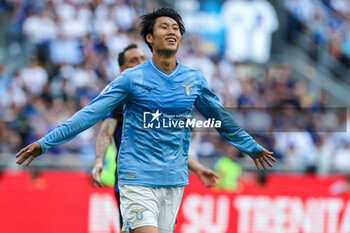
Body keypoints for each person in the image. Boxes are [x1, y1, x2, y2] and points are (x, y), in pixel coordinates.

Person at [16, 7, 276, 233]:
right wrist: (46, 143)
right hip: (136, 178)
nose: (172, 31)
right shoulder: (131, 79)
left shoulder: (194, 80)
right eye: (164, 27)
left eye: (176, 28)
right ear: (150, 38)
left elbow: (222, 119)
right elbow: (89, 115)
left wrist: (250, 147)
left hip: (174, 181)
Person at [90, 44, 219, 230]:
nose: (140, 63)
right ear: (122, 69)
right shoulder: (120, 99)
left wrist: (198, 169)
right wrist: (99, 161)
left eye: (143, 58)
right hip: (134, 182)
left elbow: (169, 146)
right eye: (133, 60)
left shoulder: (158, 98)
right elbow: (105, 132)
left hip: (164, 182)